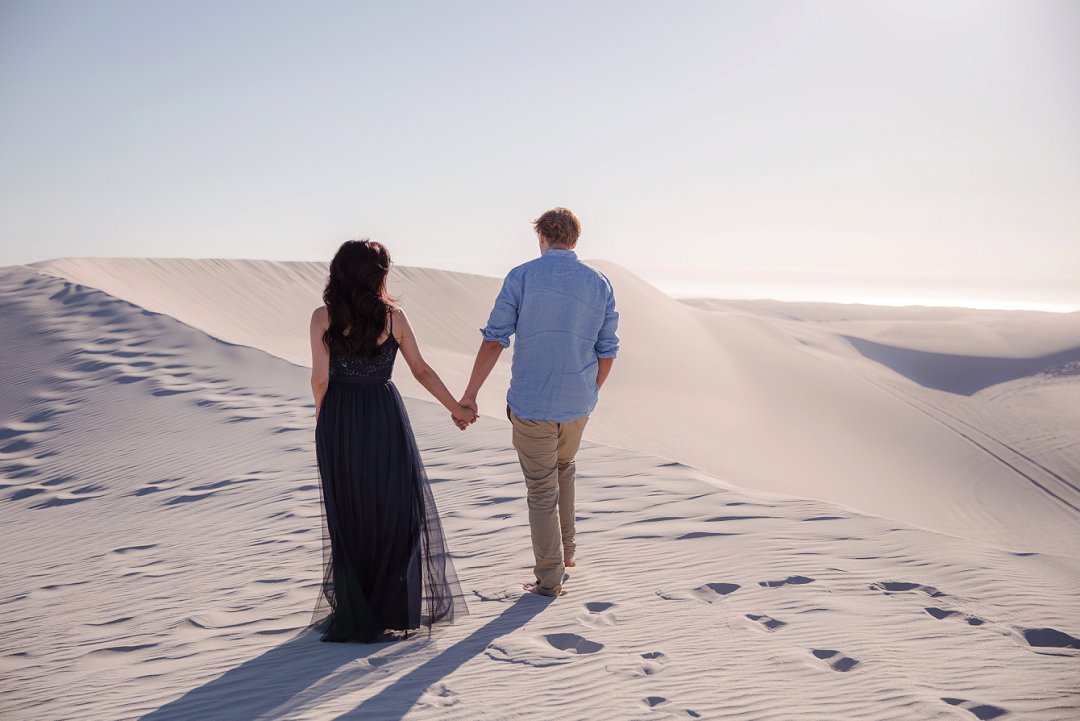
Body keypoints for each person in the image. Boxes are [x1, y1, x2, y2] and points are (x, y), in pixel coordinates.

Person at [309, 239, 471, 642]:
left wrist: (322, 417)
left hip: (339, 417)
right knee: (393, 509)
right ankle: (389, 606)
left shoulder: (323, 316)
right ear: (379, 274)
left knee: (349, 510)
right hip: (382, 414)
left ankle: (357, 607)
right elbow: (420, 370)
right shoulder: (394, 318)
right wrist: (456, 407)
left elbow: (320, 379)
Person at [459, 208, 619, 597]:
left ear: (541, 237)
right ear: (575, 240)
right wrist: (591, 391)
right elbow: (608, 349)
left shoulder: (523, 276)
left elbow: (495, 338)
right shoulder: (599, 283)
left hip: (532, 403)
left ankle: (549, 580)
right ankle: (567, 555)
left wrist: (469, 394)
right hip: (578, 402)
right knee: (564, 469)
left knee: (542, 489)